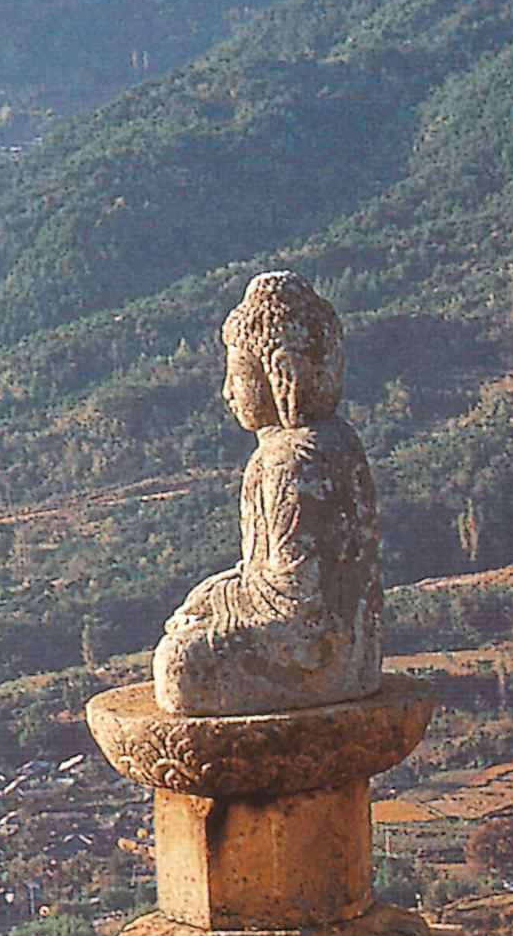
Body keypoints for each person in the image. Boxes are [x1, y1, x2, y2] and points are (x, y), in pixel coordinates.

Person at [155, 270, 383, 715]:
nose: (227, 392)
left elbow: (296, 602)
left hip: (315, 654)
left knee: (180, 664)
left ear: (282, 374)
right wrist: (221, 591)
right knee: (194, 618)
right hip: (354, 649)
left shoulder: (289, 460)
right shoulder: (335, 440)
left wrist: (223, 604)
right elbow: (269, 572)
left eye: (238, 375)